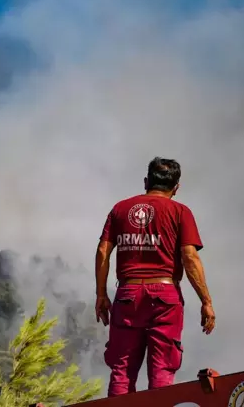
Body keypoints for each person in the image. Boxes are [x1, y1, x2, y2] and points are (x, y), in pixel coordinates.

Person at [95, 157, 215, 397]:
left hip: (127, 295)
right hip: (165, 296)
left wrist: (101, 295)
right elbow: (189, 258)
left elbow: (102, 251)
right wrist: (206, 301)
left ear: (146, 181)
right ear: (176, 187)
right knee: (162, 371)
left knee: (122, 371)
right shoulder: (180, 212)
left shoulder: (120, 209)